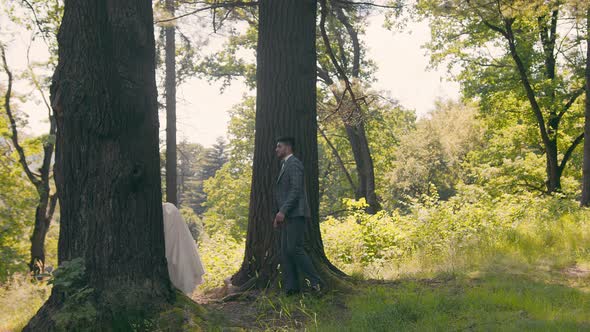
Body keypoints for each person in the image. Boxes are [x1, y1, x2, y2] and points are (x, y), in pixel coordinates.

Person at [273, 136, 322, 296]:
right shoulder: (284, 164)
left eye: (279, 147)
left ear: (287, 148)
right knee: (285, 251)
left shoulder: (294, 164)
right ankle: (291, 288)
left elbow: (296, 190)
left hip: (296, 214)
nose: (276, 150)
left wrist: (283, 211)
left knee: (294, 248)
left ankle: (317, 283)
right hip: (288, 215)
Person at [162, 202, 205, 295]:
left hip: (173, 240)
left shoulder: (168, 210)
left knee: (176, 257)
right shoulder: (168, 210)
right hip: (171, 242)